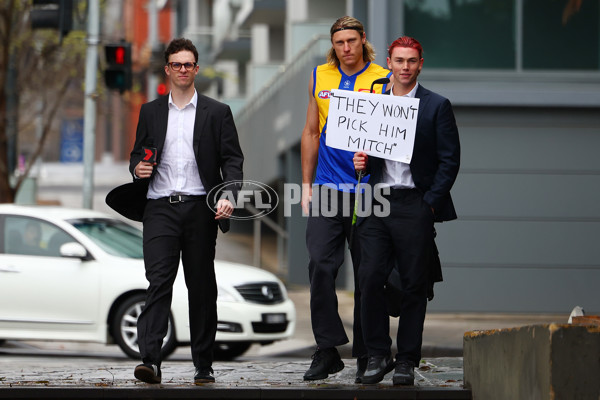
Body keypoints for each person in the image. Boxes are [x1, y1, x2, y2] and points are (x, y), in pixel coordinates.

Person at [129, 38, 244, 384]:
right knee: (158, 281)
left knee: (201, 285)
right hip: (160, 207)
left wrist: (228, 195)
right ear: (167, 69)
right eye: (176, 64)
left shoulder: (218, 112)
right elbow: (138, 154)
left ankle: (203, 365)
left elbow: (232, 161)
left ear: (196, 69)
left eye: (188, 64)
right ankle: (150, 360)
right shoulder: (150, 112)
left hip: (199, 208)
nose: (182, 69)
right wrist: (138, 169)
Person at [353, 36, 460, 385]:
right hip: (377, 201)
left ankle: (406, 360)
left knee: (414, 283)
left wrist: (429, 203)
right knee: (369, 277)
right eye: (399, 61)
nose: (404, 67)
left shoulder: (436, 106)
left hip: (415, 202)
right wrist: (362, 162)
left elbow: (449, 160)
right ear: (389, 62)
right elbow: (366, 158)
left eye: (411, 61)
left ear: (420, 63)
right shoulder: (375, 104)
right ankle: (378, 354)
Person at [300, 16, 392, 383]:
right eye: (339, 42)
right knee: (320, 265)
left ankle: (368, 352)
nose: (346, 48)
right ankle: (327, 350)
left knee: (370, 275)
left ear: (363, 40)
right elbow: (309, 132)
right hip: (326, 187)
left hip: (369, 191)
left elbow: (395, 136)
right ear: (333, 44)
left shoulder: (384, 77)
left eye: (352, 41)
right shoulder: (319, 76)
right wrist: (306, 185)